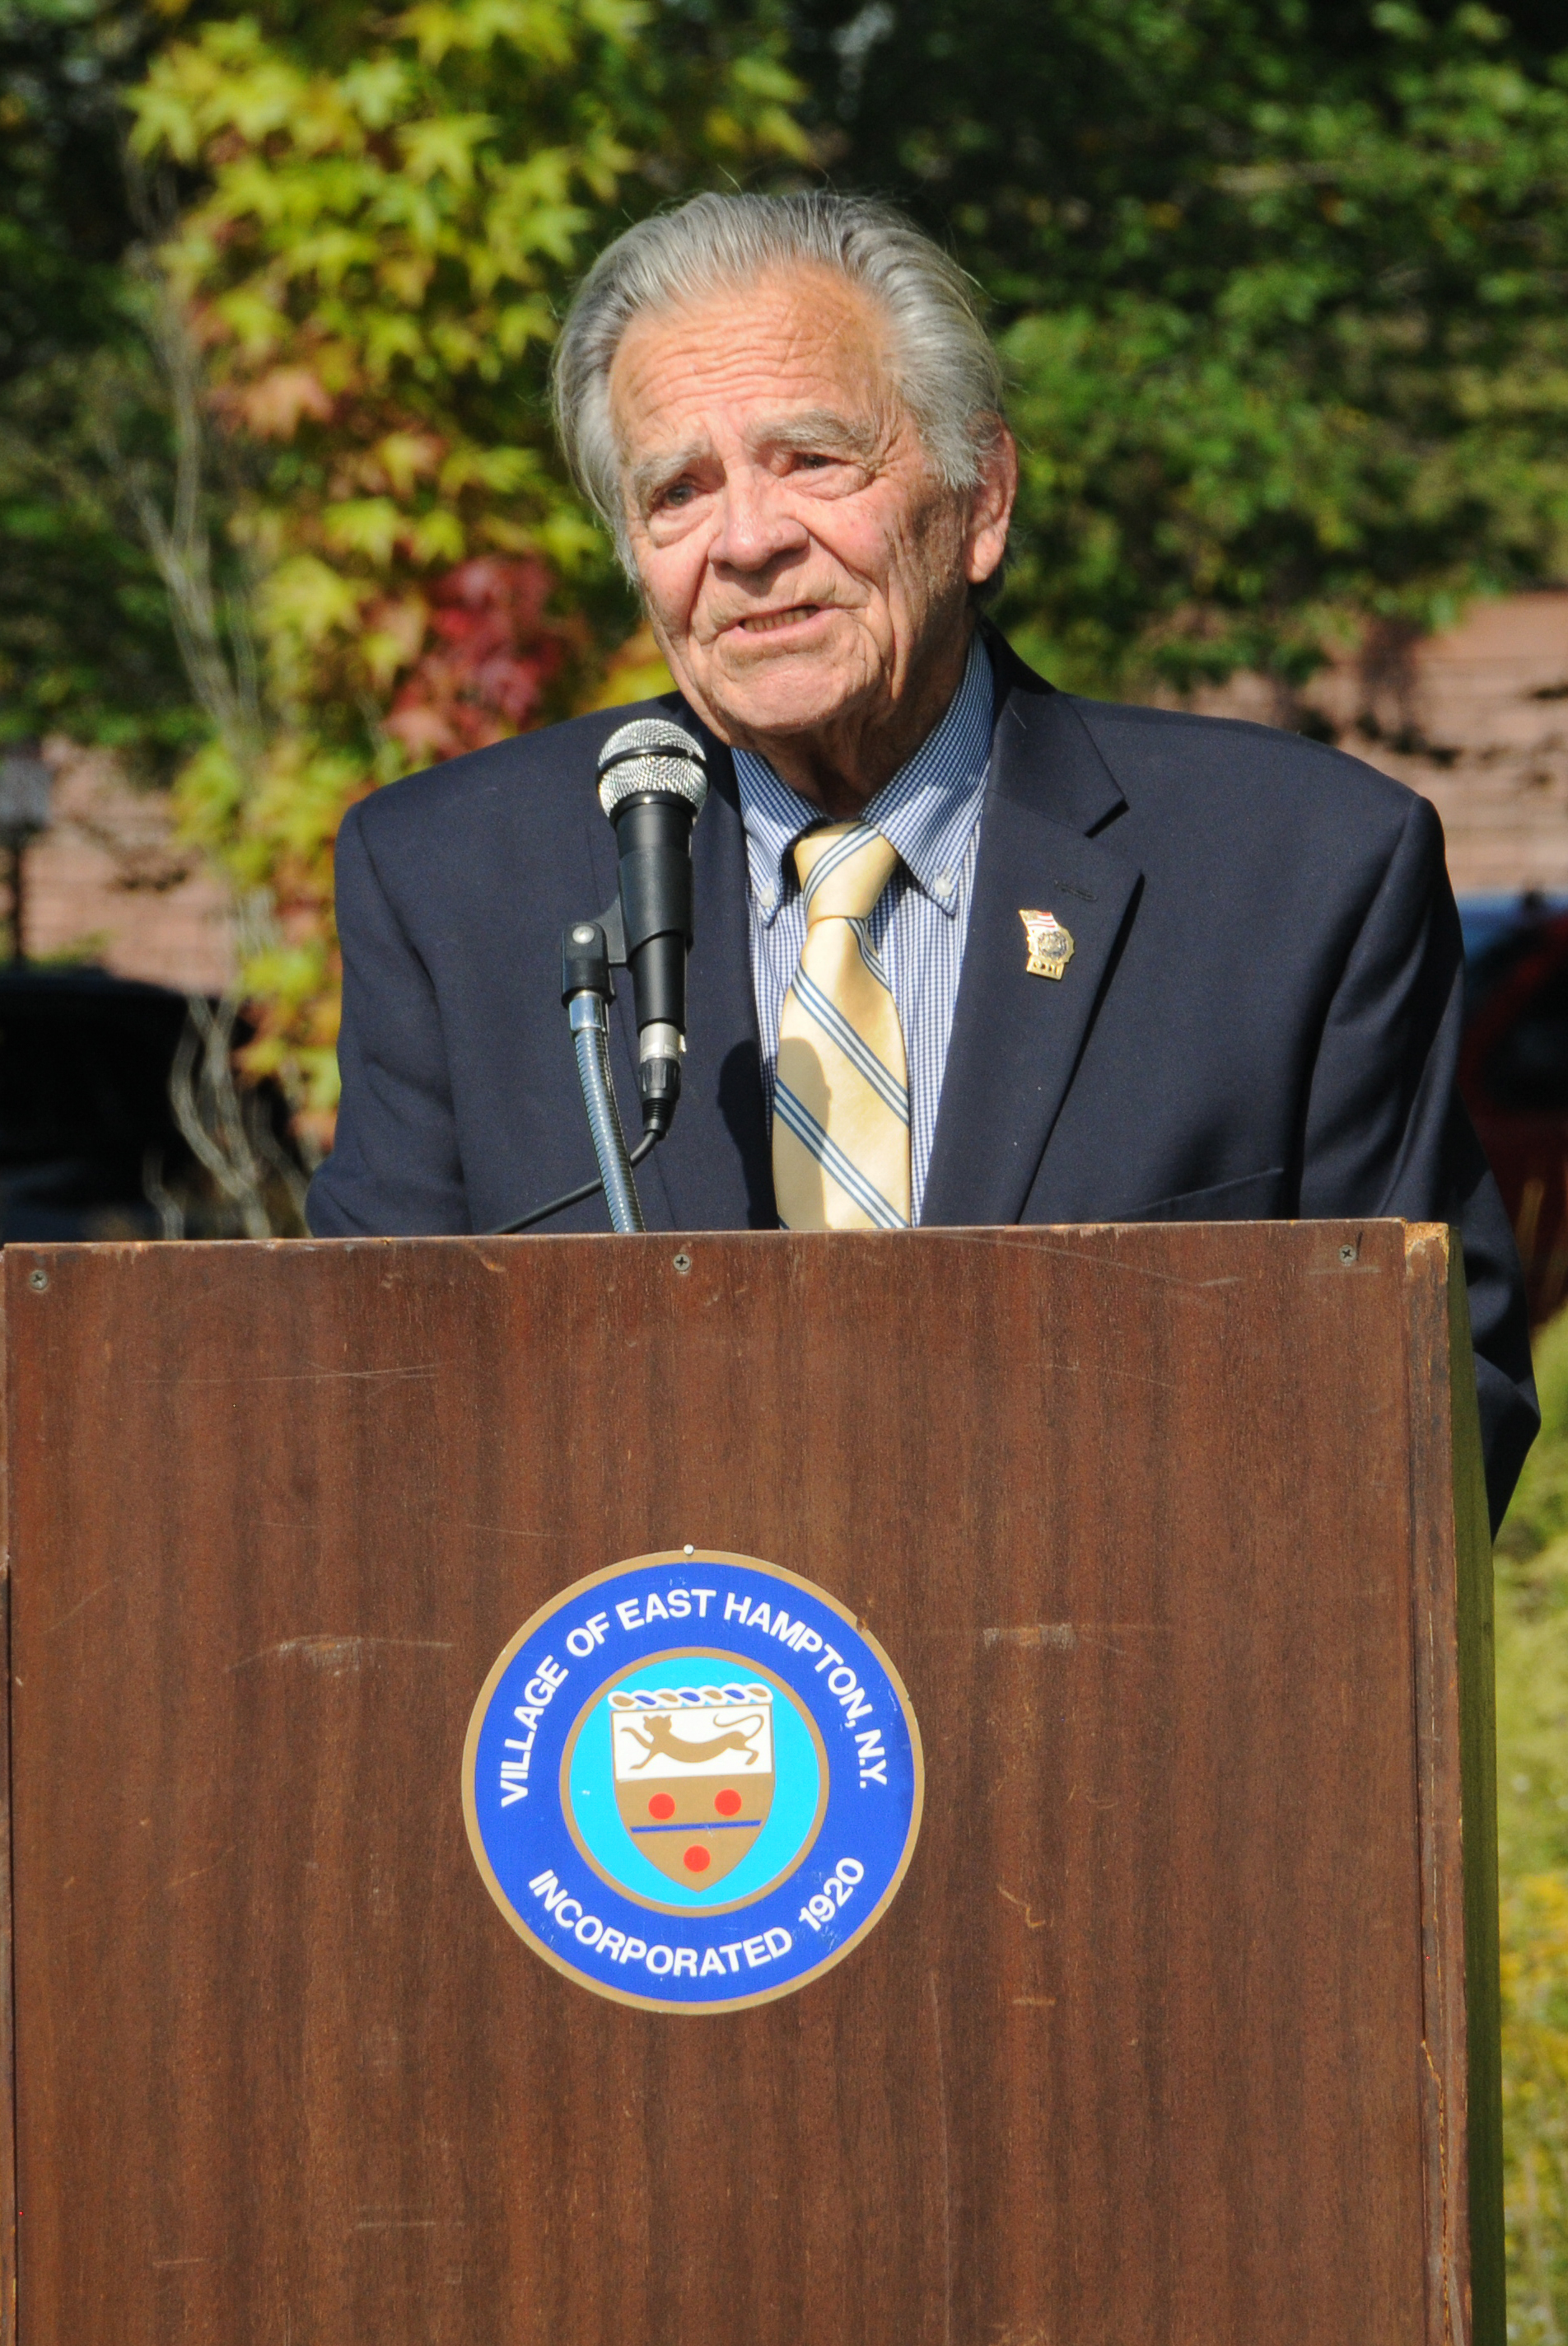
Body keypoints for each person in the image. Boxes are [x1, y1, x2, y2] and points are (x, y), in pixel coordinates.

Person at [306, 191, 1537, 1524]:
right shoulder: (452, 882)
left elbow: (1428, 1410)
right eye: (678, 492)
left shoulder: (1298, 872)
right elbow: (371, 1414)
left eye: (814, 461)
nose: (747, 540)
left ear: (981, 498)